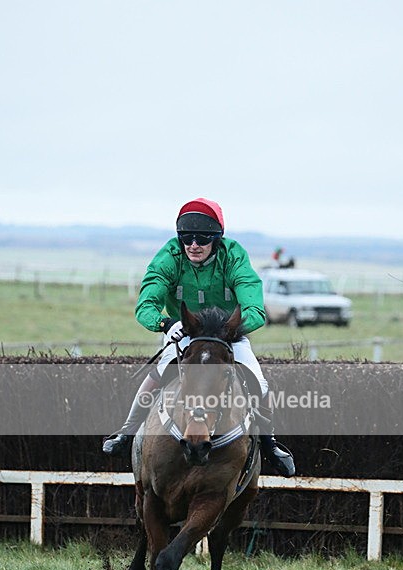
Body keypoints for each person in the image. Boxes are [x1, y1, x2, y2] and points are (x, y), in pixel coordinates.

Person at [103, 197, 295, 478]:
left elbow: (254, 308)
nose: (193, 245)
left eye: (203, 239)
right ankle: (127, 433)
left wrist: (231, 329)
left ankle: (270, 444)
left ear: (216, 240)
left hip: (227, 336)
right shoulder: (169, 256)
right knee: (155, 376)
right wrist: (165, 323)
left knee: (259, 383)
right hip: (185, 333)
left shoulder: (234, 256)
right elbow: (146, 305)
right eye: (187, 238)